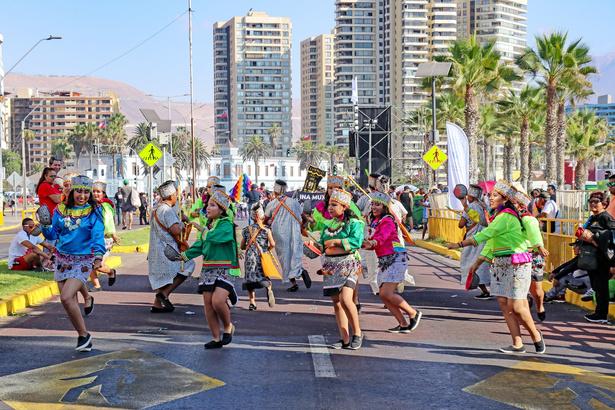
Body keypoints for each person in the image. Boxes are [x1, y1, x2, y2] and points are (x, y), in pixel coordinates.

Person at [447, 181, 546, 354]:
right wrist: (476, 264)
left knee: (517, 307)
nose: (490, 198)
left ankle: (536, 336)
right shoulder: (498, 216)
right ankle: (517, 343)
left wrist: (459, 244)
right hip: (500, 265)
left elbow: (486, 234)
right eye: (490, 195)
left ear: (505, 199)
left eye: (494, 195)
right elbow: (491, 243)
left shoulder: (506, 216)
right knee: (504, 304)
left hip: (517, 265)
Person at [40, 175, 106, 352]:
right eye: (79, 191)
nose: (82, 196)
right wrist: (45, 225)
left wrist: (98, 256)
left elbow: (98, 235)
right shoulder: (61, 209)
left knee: (65, 297)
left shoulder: (94, 211)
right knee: (69, 303)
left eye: (86, 192)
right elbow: (53, 234)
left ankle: (84, 335)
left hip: (83, 260)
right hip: (62, 259)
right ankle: (83, 336)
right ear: (72, 191)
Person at [175, 190, 239, 349]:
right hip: (208, 269)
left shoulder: (226, 225)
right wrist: (183, 256)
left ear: (222, 210)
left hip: (225, 268)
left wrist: (199, 227)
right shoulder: (209, 226)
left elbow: (213, 237)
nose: (208, 208)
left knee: (217, 301)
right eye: (208, 205)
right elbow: (200, 245)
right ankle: (216, 338)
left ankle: (228, 326)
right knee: (208, 305)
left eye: (212, 205)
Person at [311, 189, 364, 350]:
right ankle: (344, 339)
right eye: (329, 204)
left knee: (346, 299)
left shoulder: (355, 223)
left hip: (349, 264)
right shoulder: (330, 224)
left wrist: (335, 242)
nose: (330, 208)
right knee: (337, 303)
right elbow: (322, 244)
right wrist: (312, 247)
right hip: (331, 266)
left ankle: (357, 333)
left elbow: (356, 242)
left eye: (334, 205)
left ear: (344, 207)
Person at [363, 192, 422, 333]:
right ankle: (403, 323)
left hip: (396, 258)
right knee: (383, 295)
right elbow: (374, 241)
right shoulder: (375, 222)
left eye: (377, 205)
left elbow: (382, 237)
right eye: (372, 204)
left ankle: (413, 313)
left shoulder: (388, 220)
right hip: (385, 260)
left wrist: (372, 242)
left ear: (385, 207)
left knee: (386, 293)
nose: (374, 207)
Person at [147, 181, 195, 313]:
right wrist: (182, 225)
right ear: (172, 195)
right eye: (176, 194)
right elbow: (175, 230)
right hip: (167, 249)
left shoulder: (157, 208)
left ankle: (157, 304)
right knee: (188, 265)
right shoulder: (167, 210)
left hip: (157, 249)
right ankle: (164, 294)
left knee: (164, 277)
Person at [265, 180, 311, 292]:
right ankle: (300, 270)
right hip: (294, 232)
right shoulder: (294, 202)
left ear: (274, 191)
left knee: (285, 259)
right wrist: (302, 226)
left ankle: (294, 283)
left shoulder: (271, 204)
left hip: (279, 235)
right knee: (295, 255)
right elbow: (303, 217)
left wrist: (268, 223)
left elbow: (265, 220)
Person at [577, 191, 615, 324]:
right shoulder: (593, 218)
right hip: (592, 259)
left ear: (604, 204)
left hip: (603, 259)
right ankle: (598, 312)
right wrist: (578, 244)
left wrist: (594, 238)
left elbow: (611, 237)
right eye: (591, 201)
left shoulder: (606, 217)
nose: (593, 204)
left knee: (601, 287)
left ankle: (601, 314)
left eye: (596, 202)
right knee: (596, 286)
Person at [512, 187, 549, 321]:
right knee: (518, 287)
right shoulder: (506, 217)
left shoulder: (528, 218)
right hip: (516, 255)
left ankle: (540, 306)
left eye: (515, 202)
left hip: (533, 255)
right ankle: (524, 312)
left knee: (537, 290)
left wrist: (539, 246)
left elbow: (534, 233)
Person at [458, 185, 492, 299]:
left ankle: (484, 290)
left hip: (474, 239)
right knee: (483, 264)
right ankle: (487, 290)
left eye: (468, 195)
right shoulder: (484, 206)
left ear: (471, 196)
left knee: (471, 262)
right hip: (487, 237)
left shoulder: (470, 207)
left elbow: (461, 224)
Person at [240, 203, 276, 311]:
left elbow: (242, 246)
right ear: (262, 216)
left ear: (252, 217)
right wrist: (267, 249)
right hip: (262, 255)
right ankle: (268, 288)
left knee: (250, 279)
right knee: (264, 274)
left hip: (250, 257)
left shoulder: (246, 230)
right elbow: (273, 244)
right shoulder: (266, 230)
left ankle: (252, 302)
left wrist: (248, 246)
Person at [87, 181, 119, 292]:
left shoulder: (106, 206)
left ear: (104, 193)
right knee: (88, 263)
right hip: (91, 239)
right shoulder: (89, 205)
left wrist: (113, 234)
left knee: (98, 265)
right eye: (94, 191)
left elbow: (109, 222)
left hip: (105, 239)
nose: (96, 194)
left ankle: (111, 272)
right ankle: (97, 285)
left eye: (98, 192)